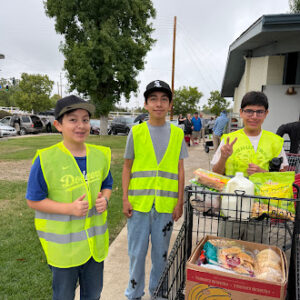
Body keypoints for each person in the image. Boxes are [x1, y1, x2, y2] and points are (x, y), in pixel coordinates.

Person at [26, 95, 113, 300]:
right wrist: (69, 209)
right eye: (72, 120)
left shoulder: (100, 155)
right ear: (58, 125)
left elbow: (107, 184)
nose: (80, 125)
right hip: (63, 251)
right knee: (64, 296)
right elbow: (33, 200)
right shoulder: (46, 159)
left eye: (85, 119)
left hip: (94, 248)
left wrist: (106, 199)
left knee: (93, 295)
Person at [122, 80, 188, 300]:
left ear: (170, 105)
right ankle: (134, 293)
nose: (158, 104)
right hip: (139, 206)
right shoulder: (136, 132)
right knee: (136, 254)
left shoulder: (178, 134)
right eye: (153, 99)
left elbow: (180, 169)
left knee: (161, 255)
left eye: (164, 99)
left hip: (166, 207)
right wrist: (125, 198)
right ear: (146, 104)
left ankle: (158, 294)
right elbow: (127, 166)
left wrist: (179, 202)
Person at [211, 91, 288, 242]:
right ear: (241, 112)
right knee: (226, 249)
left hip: (260, 210)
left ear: (266, 114)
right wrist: (224, 157)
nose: (254, 116)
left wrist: (263, 173)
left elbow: (283, 177)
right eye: (249, 111)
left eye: (259, 112)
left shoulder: (275, 141)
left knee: (254, 253)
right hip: (231, 208)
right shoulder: (229, 139)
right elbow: (216, 173)